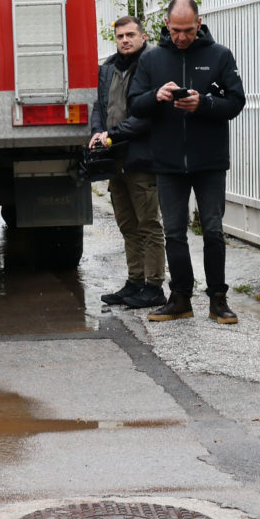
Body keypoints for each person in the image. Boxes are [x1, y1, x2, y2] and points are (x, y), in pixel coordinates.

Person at [127, 0, 247, 324]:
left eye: (189, 30)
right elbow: (135, 104)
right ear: (166, 25)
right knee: (174, 232)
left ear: (200, 23)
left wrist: (204, 103)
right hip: (167, 162)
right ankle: (180, 298)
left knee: (212, 230)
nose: (182, 37)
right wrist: (156, 96)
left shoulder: (219, 55)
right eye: (176, 30)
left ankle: (218, 300)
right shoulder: (151, 60)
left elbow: (236, 101)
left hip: (209, 161)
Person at [88, 15, 165, 310]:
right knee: (127, 224)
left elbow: (147, 117)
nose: (124, 40)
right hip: (114, 156)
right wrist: (98, 132)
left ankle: (154, 286)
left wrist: (113, 134)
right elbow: (100, 105)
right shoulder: (108, 68)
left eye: (130, 35)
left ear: (142, 37)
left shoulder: (151, 66)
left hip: (142, 156)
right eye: (120, 36)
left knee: (148, 224)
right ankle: (135, 282)